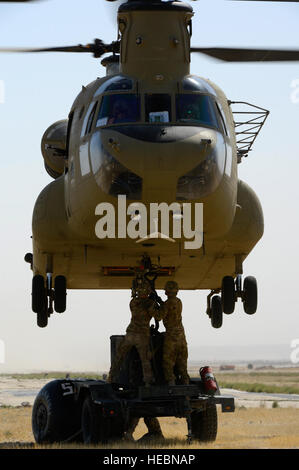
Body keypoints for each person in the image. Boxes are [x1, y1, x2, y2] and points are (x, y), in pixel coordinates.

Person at [108, 275, 160, 386]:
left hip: (131, 333)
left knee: (119, 356)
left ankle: (111, 377)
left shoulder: (133, 302)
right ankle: (148, 382)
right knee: (145, 360)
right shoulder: (149, 304)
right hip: (142, 335)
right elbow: (158, 316)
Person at [156, 281, 189, 386]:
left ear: (167, 291)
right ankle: (186, 383)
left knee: (168, 362)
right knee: (182, 363)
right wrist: (161, 303)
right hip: (181, 337)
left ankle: (171, 384)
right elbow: (171, 309)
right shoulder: (179, 302)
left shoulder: (166, 304)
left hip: (171, 337)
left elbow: (159, 316)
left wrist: (153, 307)